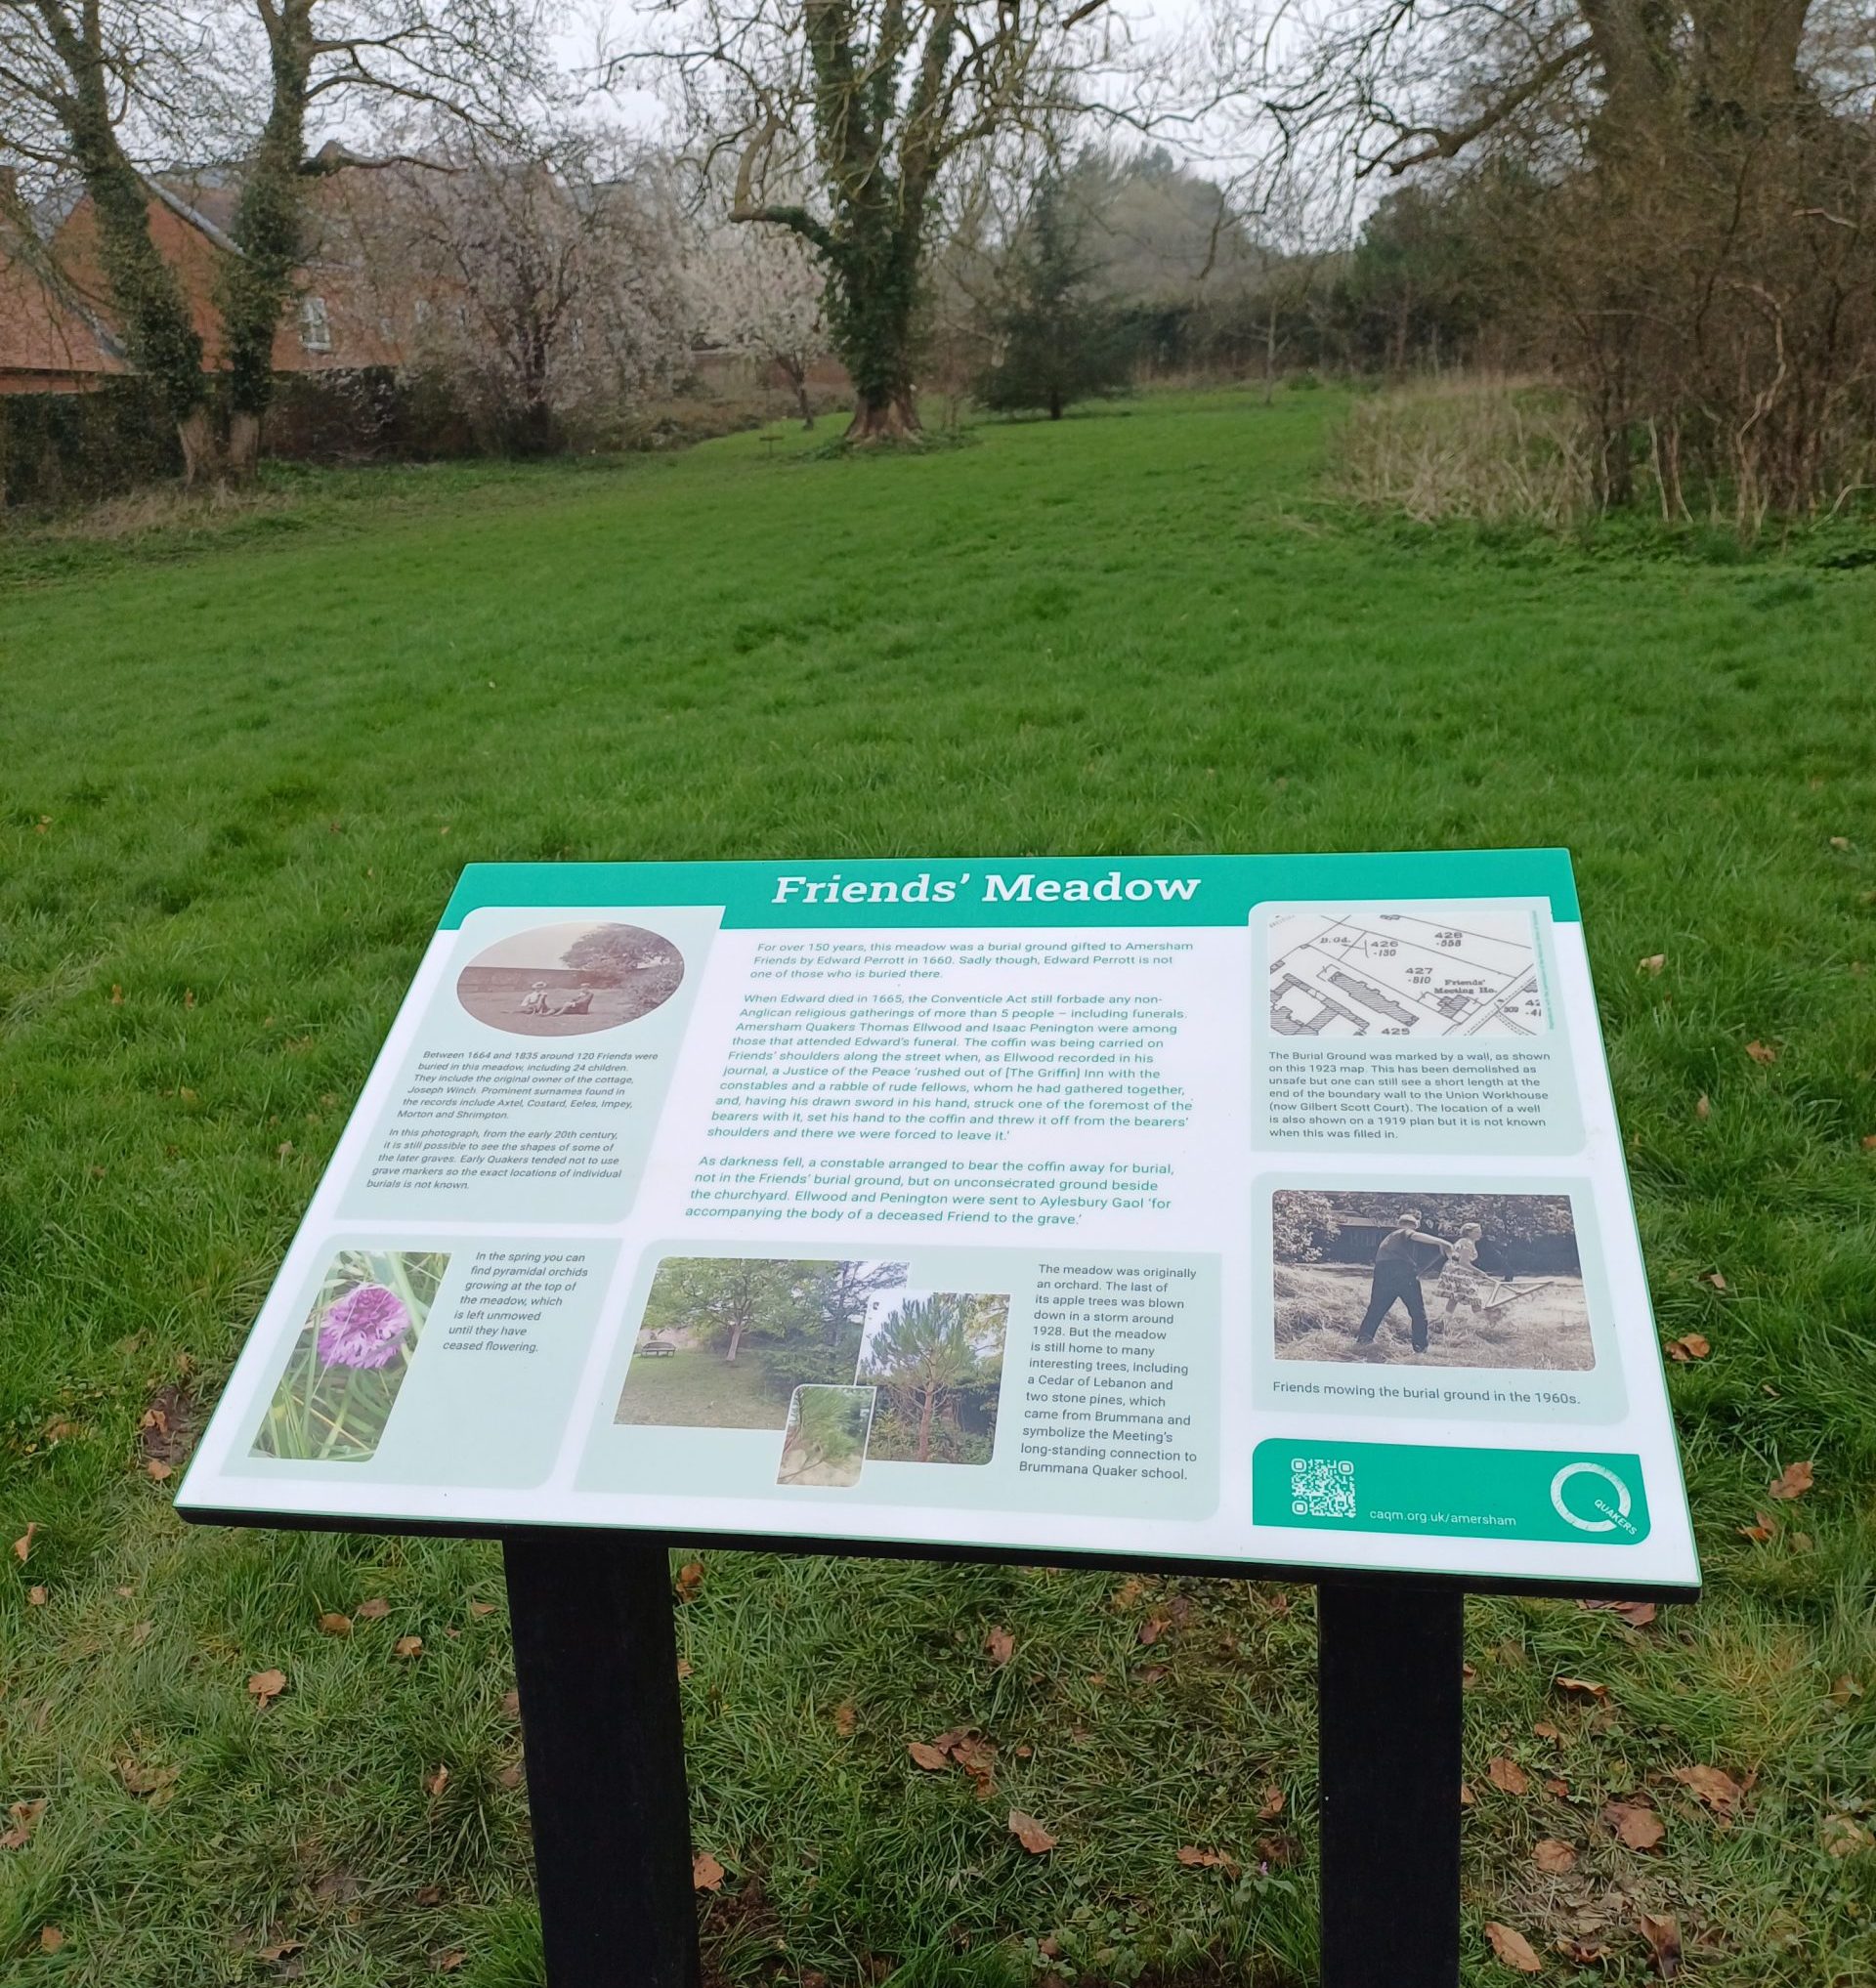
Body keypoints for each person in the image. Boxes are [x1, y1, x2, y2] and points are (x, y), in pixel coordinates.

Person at [1352, 1211, 1456, 1356]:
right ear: (1414, 1226)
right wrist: (1443, 1242)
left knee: (1376, 1309)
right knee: (1418, 1313)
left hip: (1383, 1273)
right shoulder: (1403, 1233)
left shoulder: (1390, 1240)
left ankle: (1363, 1341)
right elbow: (1412, 1234)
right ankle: (1420, 1349)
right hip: (1401, 1273)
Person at [1435, 1223, 1488, 1317]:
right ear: (1468, 1232)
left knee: (1454, 1297)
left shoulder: (1463, 1241)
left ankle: (1444, 1321)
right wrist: (1479, 1272)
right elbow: (1463, 1262)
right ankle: (1483, 1319)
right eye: (1477, 1232)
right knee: (1474, 1296)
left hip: (1454, 1271)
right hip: (1458, 1273)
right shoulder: (1467, 1243)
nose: (1480, 1233)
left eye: (1480, 1231)